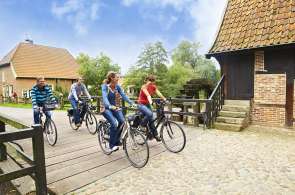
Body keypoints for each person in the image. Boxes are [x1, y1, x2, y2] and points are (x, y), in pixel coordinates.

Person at [101, 71, 135, 152]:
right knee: (114, 123)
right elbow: (105, 97)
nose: (118, 78)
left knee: (122, 121)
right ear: (112, 78)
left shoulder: (117, 87)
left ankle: (116, 139)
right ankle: (111, 145)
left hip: (115, 108)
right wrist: (109, 106)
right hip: (106, 108)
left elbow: (124, 96)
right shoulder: (105, 86)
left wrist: (132, 103)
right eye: (117, 77)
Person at [137, 75, 166, 141]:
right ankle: (142, 125)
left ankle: (155, 135)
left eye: (153, 81)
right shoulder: (143, 87)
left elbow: (158, 93)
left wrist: (164, 98)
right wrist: (151, 102)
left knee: (151, 120)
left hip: (147, 104)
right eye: (150, 81)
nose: (151, 83)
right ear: (147, 80)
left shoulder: (153, 86)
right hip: (141, 104)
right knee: (150, 114)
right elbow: (147, 95)